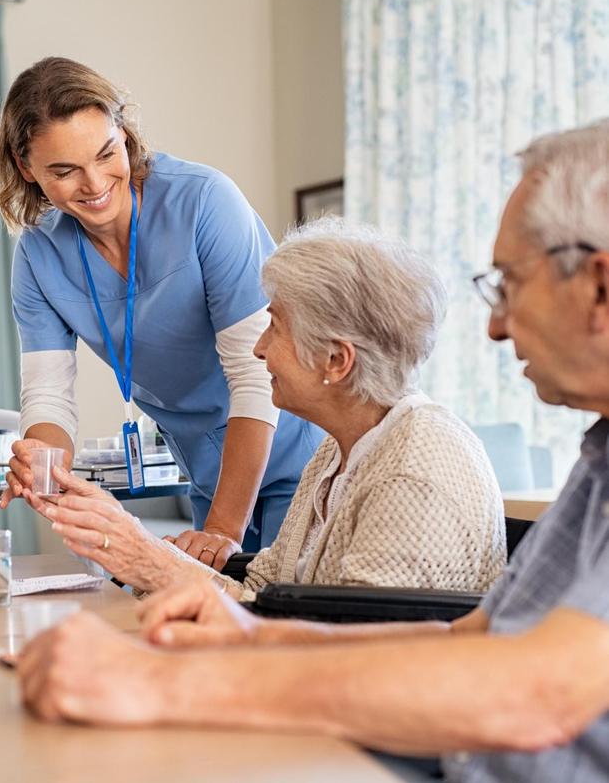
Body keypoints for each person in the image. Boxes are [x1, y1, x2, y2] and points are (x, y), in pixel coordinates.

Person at [18, 121, 609, 783]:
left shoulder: (421, 459)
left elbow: (533, 691)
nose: (496, 324)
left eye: (506, 283)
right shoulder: (591, 462)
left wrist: (160, 682)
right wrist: (251, 635)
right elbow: (471, 636)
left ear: (599, 287)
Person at [25, 220, 506, 596]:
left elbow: (348, 655)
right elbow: (262, 593)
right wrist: (136, 550)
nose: (259, 349)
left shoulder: (411, 474)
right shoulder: (340, 454)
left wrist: (149, 557)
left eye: (274, 327)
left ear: (335, 360)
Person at [0, 56, 324, 563]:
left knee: (284, 621)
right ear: (26, 169)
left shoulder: (205, 203)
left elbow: (255, 377)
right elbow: (48, 398)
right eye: (64, 171)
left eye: (107, 153)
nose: (95, 182)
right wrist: (42, 459)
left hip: (297, 452)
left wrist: (222, 532)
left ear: (124, 133)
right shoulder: (39, 255)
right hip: (208, 471)